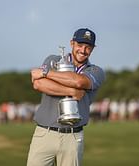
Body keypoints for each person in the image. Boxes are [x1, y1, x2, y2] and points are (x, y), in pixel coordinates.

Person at [27, 28, 105, 166]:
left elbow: (79, 81)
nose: (83, 50)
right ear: (72, 43)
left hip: (73, 137)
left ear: (93, 49)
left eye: (88, 47)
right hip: (45, 132)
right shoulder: (53, 60)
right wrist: (73, 91)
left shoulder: (96, 71)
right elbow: (38, 84)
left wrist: (45, 73)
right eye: (80, 45)